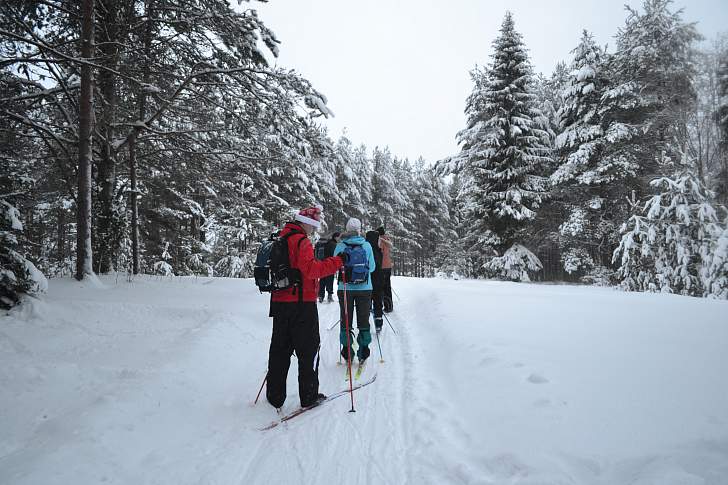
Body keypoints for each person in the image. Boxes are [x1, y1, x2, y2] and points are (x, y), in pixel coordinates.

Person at [266, 206, 347, 410]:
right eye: (313, 226)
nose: (314, 230)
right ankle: (309, 396)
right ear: (306, 223)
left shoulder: (281, 237)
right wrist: (337, 262)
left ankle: (275, 397)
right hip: (301, 305)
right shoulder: (301, 241)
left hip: (279, 302)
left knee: (279, 350)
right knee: (308, 349)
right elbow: (312, 270)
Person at [334, 217, 376, 364]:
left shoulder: (340, 246)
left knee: (346, 320)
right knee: (363, 320)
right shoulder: (367, 246)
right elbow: (372, 268)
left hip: (345, 288)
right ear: (359, 230)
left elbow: (334, 266)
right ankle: (363, 352)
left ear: (346, 229)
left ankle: (347, 352)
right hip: (365, 288)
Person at [365, 229, 384, 332]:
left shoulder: (365, 249)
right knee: (377, 303)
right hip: (378, 281)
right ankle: (378, 324)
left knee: (366, 303)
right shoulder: (378, 250)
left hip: (367, 281)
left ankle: (365, 324)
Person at [317, 232, 340, 303]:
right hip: (329, 264)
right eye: (339, 237)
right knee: (329, 280)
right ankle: (329, 296)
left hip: (322, 263)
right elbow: (334, 255)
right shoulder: (333, 244)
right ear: (335, 237)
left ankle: (321, 296)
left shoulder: (325, 243)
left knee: (322, 280)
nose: (339, 239)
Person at [378, 227, 394, 313]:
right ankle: (389, 306)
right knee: (387, 287)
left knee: (382, 287)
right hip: (388, 266)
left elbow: (379, 252)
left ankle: (385, 306)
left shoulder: (380, 241)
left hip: (382, 267)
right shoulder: (387, 239)